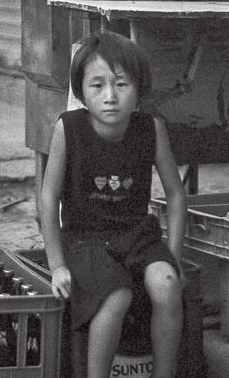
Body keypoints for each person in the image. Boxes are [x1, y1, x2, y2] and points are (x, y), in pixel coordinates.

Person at [38, 31, 187, 378]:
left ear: (139, 89)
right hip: (85, 239)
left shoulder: (151, 129)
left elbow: (176, 194)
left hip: (137, 235)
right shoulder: (68, 129)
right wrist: (57, 265)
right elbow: (48, 199)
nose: (110, 97)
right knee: (116, 295)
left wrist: (175, 258)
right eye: (97, 85)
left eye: (121, 84)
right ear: (81, 91)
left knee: (166, 285)